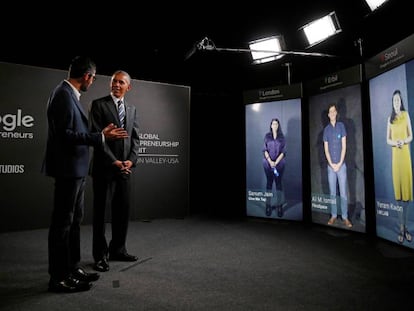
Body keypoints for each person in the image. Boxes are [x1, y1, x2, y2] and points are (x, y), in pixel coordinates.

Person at [41, 56, 129, 293]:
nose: (93, 81)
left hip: (76, 171)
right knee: (62, 224)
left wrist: (99, 135)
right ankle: (58, 278)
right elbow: (64, 136)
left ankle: (72, 268)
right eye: (94, 77)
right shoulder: (62, 94)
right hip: (67, 170)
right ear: (87, 76)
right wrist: (100, 137)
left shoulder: (69, 94)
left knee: (74, 222)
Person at [89, 70, 140, 272]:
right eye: (114, 82)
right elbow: (96, 136)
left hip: (124, 170)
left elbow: (135, 139)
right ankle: (100, 255)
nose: (116, 85)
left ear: (129, 87)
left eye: (121, 82)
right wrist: (114, 161)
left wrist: (130, 161)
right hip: (104, 168)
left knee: (122, 211)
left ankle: (118, 249)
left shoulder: (132, 108)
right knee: (101, 214)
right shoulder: (98, 105)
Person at [386, 89, 413, 244]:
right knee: (399, 196)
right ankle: (401, 228)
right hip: (396, 158)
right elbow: (387, 140)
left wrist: (404, 141)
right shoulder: (389, 119)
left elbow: (411, 135)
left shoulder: (406, 115)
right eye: (394, 100)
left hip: (405, 158)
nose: (396, 102)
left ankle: (406, 228)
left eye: (398, 100)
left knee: (407, 196)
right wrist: (396, 143)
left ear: (401, 102)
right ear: (392, 102)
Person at [323, 103, 352, 228]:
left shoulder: (341, 126)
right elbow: (326, 150)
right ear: (328, 115)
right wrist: (332, 164)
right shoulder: (326, 130)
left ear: (336, 113)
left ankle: (345, 217)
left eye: (334, 111)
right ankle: (334, 215)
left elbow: (344, 146)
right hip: (331, 167)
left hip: (341, 166)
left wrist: (339, 163)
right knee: (332, 192)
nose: (333, 113)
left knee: (343, 193)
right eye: (331, 111)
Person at [262, 118, 286, 217]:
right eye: (273, 124)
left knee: (279, 185)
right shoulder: (267, 136)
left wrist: (276, 162)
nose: (275, 125)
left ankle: (279, 206)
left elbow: (283, 152)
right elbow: (264, 150)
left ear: (278, 126)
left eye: (276, 124)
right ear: (271, 125)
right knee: (269, 184)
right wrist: (270, 161)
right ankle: (268, 206)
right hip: (268, 164)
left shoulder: (282, 137)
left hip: (279, 165)